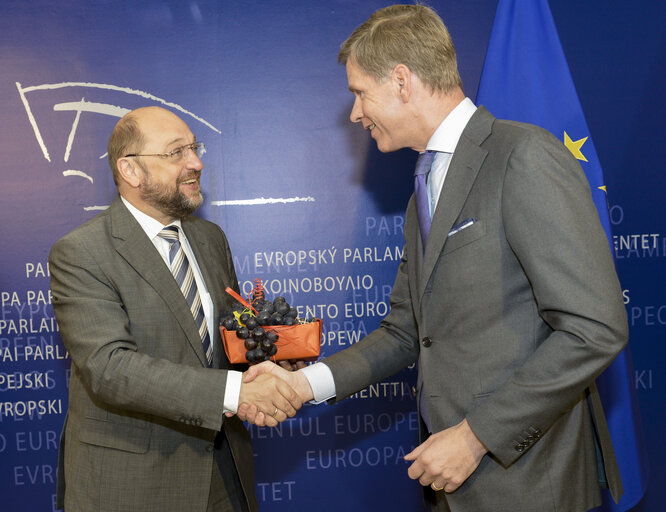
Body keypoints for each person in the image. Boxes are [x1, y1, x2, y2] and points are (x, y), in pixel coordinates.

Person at [242, 5, 629, 511]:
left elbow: (594, 328)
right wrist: (300, 385)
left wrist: (474, 437)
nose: (356, 113)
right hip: (451, 485)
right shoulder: (423, 190)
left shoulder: (523, 157)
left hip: (530, 484)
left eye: (359, 92)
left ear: (401, 81)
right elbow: (407, 333)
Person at [49, 106, 302, 512]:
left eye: (194, 148)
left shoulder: (210, 238)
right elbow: (110, 368)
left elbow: (226, 342)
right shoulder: (81, 252)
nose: (196, 163)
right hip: (132, 485)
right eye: (176, 153)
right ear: (130, 170)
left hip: (225, 474)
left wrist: (266, 366)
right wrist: (236, 391)